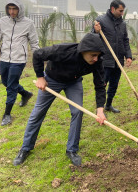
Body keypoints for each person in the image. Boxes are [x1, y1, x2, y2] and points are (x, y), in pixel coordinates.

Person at [13, 33, 107, 166]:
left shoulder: (98, 61)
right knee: (38, 112)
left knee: (77, 112)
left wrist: (100, 110)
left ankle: (72, 150)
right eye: (93, 55)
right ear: (83, 51)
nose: (96, 58)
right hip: (52, 80)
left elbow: (100, 85)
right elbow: (38, 54)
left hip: (73, 82)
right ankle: (25, 148)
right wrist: (40, 77)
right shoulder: (64, 51)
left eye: (98, 55)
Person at [0, 0, 39, 126]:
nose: (12, 11)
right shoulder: (2, 22)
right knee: (5, 82)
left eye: (14, 8)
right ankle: (25, 94)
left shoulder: (28, 23)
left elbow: (34, 42)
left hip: (19, 60)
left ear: (20, 9)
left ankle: (7, 114)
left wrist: (39, 58)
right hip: (4, 58)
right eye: (9, 8)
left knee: (11, 86)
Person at [92, 0, 132, 113]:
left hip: (118, 60)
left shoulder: (122, 24)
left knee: (114, 85)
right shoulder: (101, 21)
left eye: (123, 11)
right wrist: (96, 31)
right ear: (113, 9)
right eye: (120, 11)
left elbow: (125, 41)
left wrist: (128, 56)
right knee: (102, 85)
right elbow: (92, 38)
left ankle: (108, 105)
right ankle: (100, 108)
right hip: (105, 60)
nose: (122, 13)